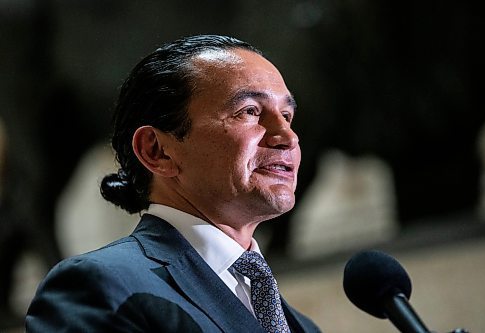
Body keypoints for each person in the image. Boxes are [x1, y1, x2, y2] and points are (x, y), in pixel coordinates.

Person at [25, 34, 320, 332]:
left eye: (286, 115)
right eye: (249, 112)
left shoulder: (301, 326)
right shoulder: (100, 287)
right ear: (157, 150)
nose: (288, 137)